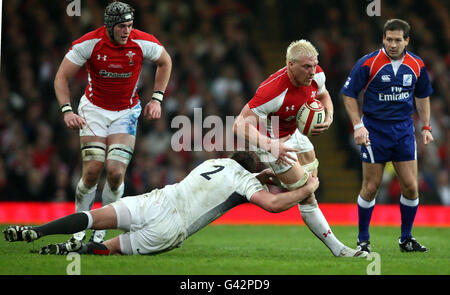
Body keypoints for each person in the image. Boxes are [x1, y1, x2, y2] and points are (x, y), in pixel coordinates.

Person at [3, 151, 342, 257]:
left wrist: (265, 172)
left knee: (92, 218)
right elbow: (272, 205)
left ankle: (36, 232)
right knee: (108, 249)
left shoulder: (218, 161)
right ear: (254, 170)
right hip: (170, 228)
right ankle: (66, 251)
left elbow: (249, 173)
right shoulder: (245, 182)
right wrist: (306, 188)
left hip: (157, 200)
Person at [233, 40, 364, 258]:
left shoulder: (317, 75)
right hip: (271, 139)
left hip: (295, 133)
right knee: (306, 192)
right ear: (290, 65)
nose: (312, 71)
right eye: (306, 67)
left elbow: (324, 96)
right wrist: (271, 145)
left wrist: (329, 116)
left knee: (309, 176)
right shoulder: (272, 91)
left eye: (314, 65)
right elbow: (239, 125)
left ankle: (271, 177)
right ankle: (339, 249)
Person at [53, 1, 172, 243]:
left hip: (126, 112)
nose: (126, 31)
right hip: (94, 111)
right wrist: (67, 111)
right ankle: (77, 230)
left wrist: (157, 99)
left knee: (116, 173)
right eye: (121, 26)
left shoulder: (142, 41)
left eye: (129, 25)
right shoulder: (89, 43)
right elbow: (61, 77)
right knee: (92, 171)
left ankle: (100, 231)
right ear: (109, 25)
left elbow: (165, 61)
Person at [341, 19, 433, 253]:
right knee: (371, 187)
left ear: (407, 41)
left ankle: (406, 239)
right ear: (383, 39)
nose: (393, 44)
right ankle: (363, 240)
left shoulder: (417, 65)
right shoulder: (368, 63)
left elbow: (422, 96)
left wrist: (426, 127)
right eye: (389, 39)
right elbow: (348, 94)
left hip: (403, 131)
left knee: (411, 187)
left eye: (397, 40)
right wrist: (357, 125)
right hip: (375, 131)